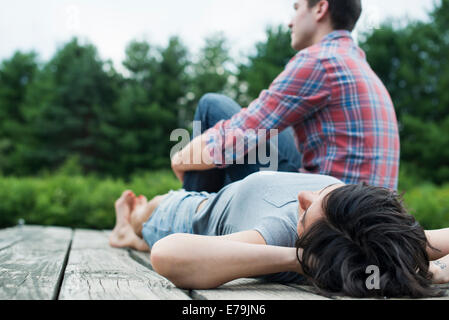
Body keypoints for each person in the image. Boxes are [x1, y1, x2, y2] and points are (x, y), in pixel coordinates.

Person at [171, 0, 400, 194]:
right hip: (367, 213)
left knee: (212, 106)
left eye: (297, 7)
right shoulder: (360, 66)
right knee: (279, 131)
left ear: (320, 9)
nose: (290, 21)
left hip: (328, 214)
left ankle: (186, 228)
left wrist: (180, 159)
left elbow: (237, 134)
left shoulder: (319, 61)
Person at [109, 172, 449, 298]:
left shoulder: (279, 237)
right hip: (229, 192)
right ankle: (132, 233)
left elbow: (168, 255)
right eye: (328, 192)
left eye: (304, 215)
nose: (305, 195)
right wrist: (417, 254)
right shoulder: (370, 224)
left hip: (186, 213)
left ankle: (129, 228)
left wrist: (301, 260)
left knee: (151, 208)